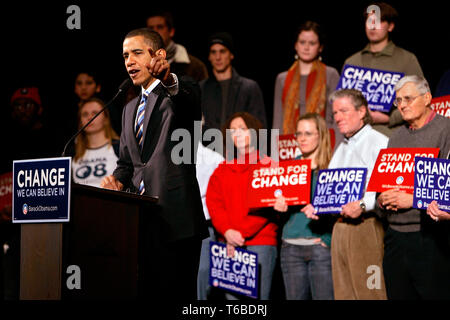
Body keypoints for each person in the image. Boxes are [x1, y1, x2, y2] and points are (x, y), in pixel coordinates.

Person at [100, 28, 207, 300]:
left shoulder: (182, 89)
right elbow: (128, 163)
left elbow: (186, 100)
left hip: (177, 221)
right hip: (141, 224)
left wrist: (168, 78)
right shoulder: (128, 109)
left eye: (137, 53)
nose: (129, 61)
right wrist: (117, 180)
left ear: (159, 55)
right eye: (125, 56)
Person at [376, 75, 450, 299]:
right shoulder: (395, 137)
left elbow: (446, 189)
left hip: (430, 238)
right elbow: (383, 185)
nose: (402, 105)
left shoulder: (446, 129)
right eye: (398, 101)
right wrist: (382, 198)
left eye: (408, 98)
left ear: (427, 98)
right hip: (395, 237)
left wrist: (413, 199)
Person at [206, 112, 278, 300]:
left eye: (242, 129)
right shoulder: (222, 170)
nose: (236, 133)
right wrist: (227, 232)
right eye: (232, 130)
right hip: (228, 244)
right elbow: (214, 204)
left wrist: (238, 233)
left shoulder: (269, 166)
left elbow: (266, 207)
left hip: (260, 243)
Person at [325, 89, 388, 299]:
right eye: (335, 113)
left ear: (362, 112)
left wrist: (363, 205)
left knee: (370, 292)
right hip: (340, 228)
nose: (337, 118)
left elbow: (386, 188)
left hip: (366, 227)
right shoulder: (341, 147)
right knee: (343, 293)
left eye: (343, 111)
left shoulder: (379, 142)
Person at [274, 113, 335, 300]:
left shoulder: (333, 167)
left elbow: (342, 210)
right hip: (291, 247)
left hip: (320, 248)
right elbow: (281, 212)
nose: (302, 138)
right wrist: (279, 207)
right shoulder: (289, 168)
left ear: (320, 135)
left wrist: (327, 241)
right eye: (298, 133)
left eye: (308, 133)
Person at [343, 2, 424, 137]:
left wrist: (389, 118)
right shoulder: (352, 62)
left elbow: (420, 99)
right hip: (355, 138)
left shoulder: (406, 59)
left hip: (393, 136)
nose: (373, 26)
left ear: (390, 26)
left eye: (379, 21)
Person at [272, 21, 342, 148]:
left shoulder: (330, 74)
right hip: (289, 148)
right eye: (302, 42)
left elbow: (335, 118)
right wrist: (276, 157)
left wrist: (334, 150)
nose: (306, 47)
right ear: (295, 45)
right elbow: (278, 121)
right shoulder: (282, 79)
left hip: (322, 146)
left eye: (312, 43)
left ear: (320, 47)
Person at [200, 32, 267, 132]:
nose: (218, 57)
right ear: (209, 57)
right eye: (213, 52)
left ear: (231, 55)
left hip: (241, 146)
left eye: (222, 51)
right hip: (209, 146)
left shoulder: (249, 88)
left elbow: (259, 126)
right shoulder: (201, 88)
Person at [196, 137, 224, 300]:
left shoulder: (214, 159)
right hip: (171, 226)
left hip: (204, 226)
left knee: (201, 277)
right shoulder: (165, 156)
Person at [146, 10, 208, 83]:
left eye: (160, 27)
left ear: (171, 31)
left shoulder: (195, 66)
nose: (155, 32)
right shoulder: (139, 62)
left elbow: (203, 92)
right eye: (151, 28)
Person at [70, 97, 120, 188]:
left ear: (106, 119)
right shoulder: (73, 152)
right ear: (80, 121)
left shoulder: (119, 147)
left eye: (95, 113)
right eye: (85, 114)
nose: (89, 117)